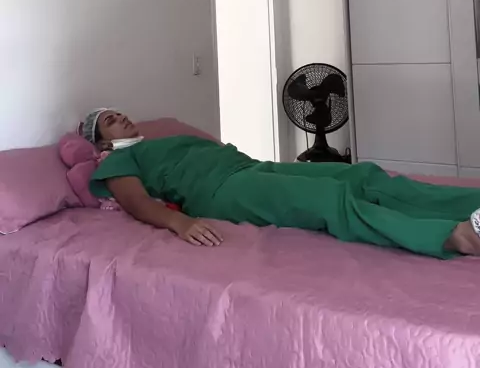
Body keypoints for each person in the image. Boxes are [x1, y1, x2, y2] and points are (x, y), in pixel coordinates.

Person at [82, 108, 480, 259]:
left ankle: (468, 203)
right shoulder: (118, 159)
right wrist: (179, 222)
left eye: (119, 112)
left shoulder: (161, 139)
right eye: (110, 121)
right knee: (329, 198)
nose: (121, 117)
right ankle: (455, 238)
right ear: (102, 142)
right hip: (222, 192)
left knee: (361, 175)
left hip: (251, 168)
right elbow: (135, 202)